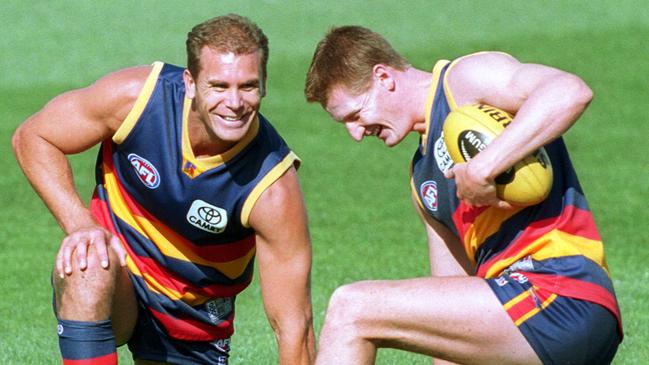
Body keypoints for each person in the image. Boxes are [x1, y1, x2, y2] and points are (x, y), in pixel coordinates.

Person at [304, 25, 622, 365]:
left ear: (383, 77)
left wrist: (486, 166)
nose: (356, 133)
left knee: (350, 308)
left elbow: (569, 90)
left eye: (355, 114)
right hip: (520, 321)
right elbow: (451, 298)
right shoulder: (422, 181)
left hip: (561, 292)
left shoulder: (463, 82)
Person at [12, 14, 314, 365]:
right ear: (190, 82)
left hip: (190, 320)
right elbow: (34, 136)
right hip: (120, 276)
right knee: (87, 261)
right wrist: (81, 225)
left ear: (263, 85)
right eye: (218, 86)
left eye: (247, 86)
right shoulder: (136, 100)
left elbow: (294, 326)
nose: (234, 103)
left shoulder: (271, 186)